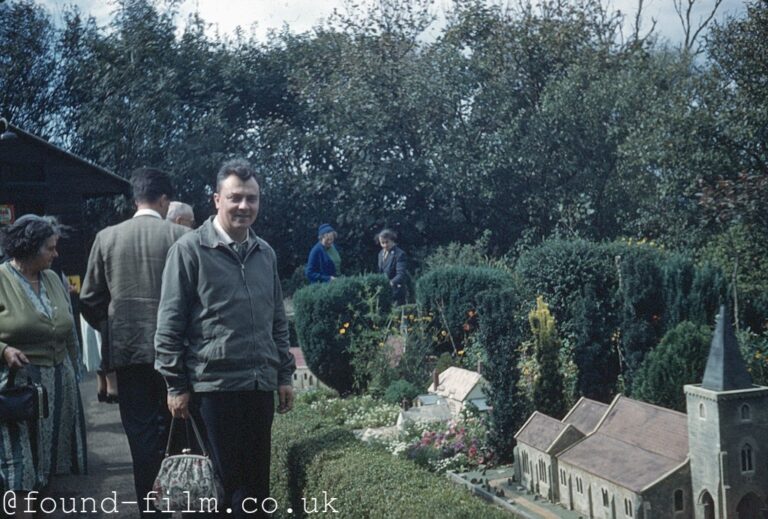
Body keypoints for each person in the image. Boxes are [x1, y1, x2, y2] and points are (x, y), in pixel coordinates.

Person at [155, 159, 295, 519]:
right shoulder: (189, 251)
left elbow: (277, 319)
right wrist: (175, 384)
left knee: (256, 490)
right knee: (219, 491)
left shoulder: (266, 253)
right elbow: (169, 324)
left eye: (252, 199)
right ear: (216, 199)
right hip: (212, 389)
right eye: (236, 198)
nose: (244, 206)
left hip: (258, 386)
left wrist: (283, 375)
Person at [80, 168, 189, 517]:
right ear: (164, 200)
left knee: (141, 437)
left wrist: (112, 328)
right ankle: (181, 504)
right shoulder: (181, 236)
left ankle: (150, 509)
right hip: (177, 354)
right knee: (178, 433)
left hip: (128, 354)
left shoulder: (107, 237)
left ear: (135, 199)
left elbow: (90, 298)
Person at [0, 215, 87, 510]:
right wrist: (3, 350)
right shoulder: (1, 279)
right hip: (17, 387)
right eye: (50, 248)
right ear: (29, 247)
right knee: (21, 464)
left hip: (56, 387)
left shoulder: (52, 278)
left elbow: (69, 330)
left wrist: (76, 370)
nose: (56, 253)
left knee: (47, 462)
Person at [376, 228, 408, 305]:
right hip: (384, 292)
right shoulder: (380, 254)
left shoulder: (399, 254)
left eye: (387, 242)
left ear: (392, 240)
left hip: (396, 291)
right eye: (382, 243)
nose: (384, 245)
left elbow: (401, 274)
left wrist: (390, 283)